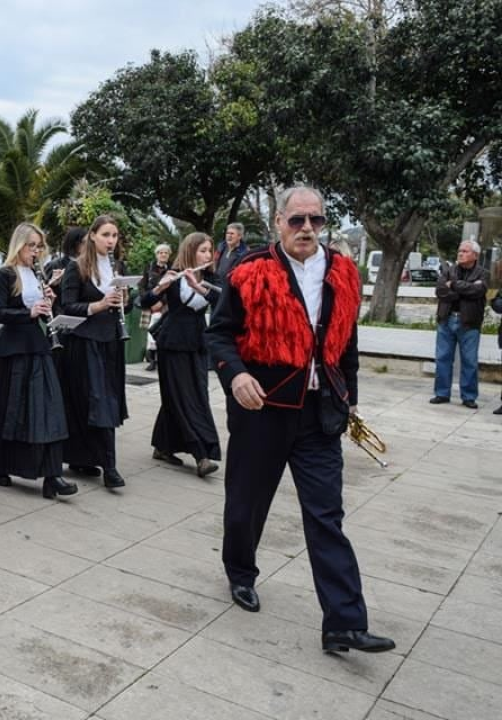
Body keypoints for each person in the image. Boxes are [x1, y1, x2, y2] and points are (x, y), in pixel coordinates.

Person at [206, 185, 395, 654]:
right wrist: (236, 376)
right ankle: (241, 572)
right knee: (247, 503)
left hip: (318, 415)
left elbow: (346, 340)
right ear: (278, 222)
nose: (307, 228)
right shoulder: (250, 271)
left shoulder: (343, 272)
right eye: (297, 220)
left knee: (327, 515)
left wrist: (348, 395)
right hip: (262, 408)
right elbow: (219, 336)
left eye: (315, 220)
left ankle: (344, 622)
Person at [0, 223, 74, 499]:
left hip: (37, 346)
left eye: (38, 246)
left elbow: (41, 316)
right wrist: (28, 312)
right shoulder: (6, 274)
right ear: (19, 245)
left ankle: (52, 475)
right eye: (31, 245)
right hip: (11, 351)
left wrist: (49, 305)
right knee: (10, 413)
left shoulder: (36, 273)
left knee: (48, 412)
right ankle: (0, 466)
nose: (35, 251)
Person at [57, 215, 129, 488]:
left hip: (110, 341)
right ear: (93, 236)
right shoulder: (76, 268)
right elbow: (67, 306)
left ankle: (85, 458)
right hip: (84, 342)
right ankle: (109, 466)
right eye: (106, 235)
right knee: (97, 400)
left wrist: (124, 300)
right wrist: (98, 306)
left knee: (106, 399)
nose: (111, 241)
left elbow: (126, 307)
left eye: (114, 236)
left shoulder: (118, 267)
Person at [142, 233, 221, 477]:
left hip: (197, 343)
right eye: (202, 251)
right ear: (190, 252)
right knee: (182, 396)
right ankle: (201, 455)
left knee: (190, 394)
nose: (207, 255)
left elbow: (223, 301)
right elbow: (143, 301)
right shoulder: (174, 277)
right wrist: (160, 286)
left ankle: (163, 446)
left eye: (209, 251)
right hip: (172, 343)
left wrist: (200, 287)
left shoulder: (210, 278)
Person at [430, 240, 487, 409]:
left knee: (469, 360)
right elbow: (440, 291)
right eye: (459, 250)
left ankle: (469, 396)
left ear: (475, 255)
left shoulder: (483, 274)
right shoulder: (449, 271)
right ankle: (442, 393)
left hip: (469, 322)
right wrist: (463, 291)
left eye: (465, 251)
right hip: (446, 320)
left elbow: (478, 291)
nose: (460, 253)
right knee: (442, 358)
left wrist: (453, 285)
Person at [141, 243, 173, 371]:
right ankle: (152, 360)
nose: (163, 255)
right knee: (150, 330)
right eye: (160, 253)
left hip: (166, 305)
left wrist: (162, 302)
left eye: (166, 253)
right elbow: (142, 286)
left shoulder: (172, 269)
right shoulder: (149, 267)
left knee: (163, 330)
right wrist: (149, 301)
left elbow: (173, 287)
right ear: (157, 255)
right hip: (150, 303)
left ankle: (162, 360)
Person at [44, 227, 84, 313]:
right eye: (83, 243)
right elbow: (44, 290)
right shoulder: (54, 265)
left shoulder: (88, 265)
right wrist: (53, 283)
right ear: (74, 243)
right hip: (61, 317)